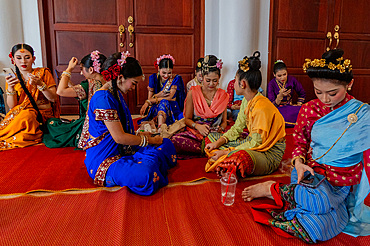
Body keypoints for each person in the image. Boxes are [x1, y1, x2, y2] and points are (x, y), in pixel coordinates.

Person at [242, 49, 370, 243]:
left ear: (349, 84)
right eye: (318, 92)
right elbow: (300, 143)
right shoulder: (309, 109)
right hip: (310, 174)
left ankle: (285, 196)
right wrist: (299, 163)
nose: (325, 99)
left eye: (332, 93)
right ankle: (273, 189)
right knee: (319, 203)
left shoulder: (361, 112)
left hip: (341, 183)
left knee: (317, 227)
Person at [84, 52, 177, 195]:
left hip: (125, 149)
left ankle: (148, 161)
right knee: (146, 173)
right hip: (106, 159)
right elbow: (119, 138)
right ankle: (148, 164)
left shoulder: (116, 93)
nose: (133, 88)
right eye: (134, 83)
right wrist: (149, 140)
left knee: (166, 144)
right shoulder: (103, 98)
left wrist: (143, 136)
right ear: (120, 77)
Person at [204, 51, 286, 178]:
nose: (234, 83)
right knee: (212, 137)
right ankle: (225, 162)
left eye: (235, 80)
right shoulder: (246, 101)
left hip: (268, 153)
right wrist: (219, 142)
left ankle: (227, 162)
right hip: (252, 142)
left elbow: (256, 143)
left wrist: (226, 152)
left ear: (243, 84)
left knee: (240, 158)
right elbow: (237, 128)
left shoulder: (261, 107)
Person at [0, 43, 60, 150]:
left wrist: (40, 85)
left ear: (33, 59)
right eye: (19, 58)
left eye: (27, 57)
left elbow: (53, 98)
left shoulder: (43, 73)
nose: (23, 61)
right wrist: (10, 88)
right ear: (13, 60)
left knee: (27, 117)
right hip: (22, 114)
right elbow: (13, 106)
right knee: (23, 117)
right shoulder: (12, 78)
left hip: (41, 115)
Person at [43, 51, 107, 148]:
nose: (81, 73)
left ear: (90, 69)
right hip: (107, 125)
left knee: (52, 124)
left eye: (82, 70)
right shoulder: (108, 82)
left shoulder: (89, 84)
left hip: (90, 127)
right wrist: (68, 82)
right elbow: (82, 94)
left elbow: (60, 91)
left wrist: (69, 69)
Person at [171, 55, 228, 156]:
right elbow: (187, 119)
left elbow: (224, 122)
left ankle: (211, 149)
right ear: (202, 77)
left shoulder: (223, 95)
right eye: (208, 80)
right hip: (197, 133)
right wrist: (198, 126)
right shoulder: (193, 92)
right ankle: (214, 151)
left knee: (242, 139)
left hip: (216, 134)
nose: (211, 84)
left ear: (219, 78)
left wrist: (221, 128)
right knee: (175, 140)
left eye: (215, 80)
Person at [139, 54, 186, 132]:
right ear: (158, 68)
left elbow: (171, 98)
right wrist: (159, 94)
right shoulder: (153, 78)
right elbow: (149, 98)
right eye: (163, 72)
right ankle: (161, 127)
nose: (166, 75)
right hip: (156, 107)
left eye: (169, 73)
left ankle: (161, 129)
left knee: (164, 102)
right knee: (163, 102)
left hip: (172, 107)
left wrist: (151, 100)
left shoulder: (176, 78)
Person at [267, 60, 306, 127]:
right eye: (279, 76)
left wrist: (298, 104)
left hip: (291, 107)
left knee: (303, 110)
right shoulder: (271, 84)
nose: (283, 78)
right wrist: (280, 96)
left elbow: (302, 93)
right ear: (274, 74)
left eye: (284, 74)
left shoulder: (292, 79)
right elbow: (271, 106)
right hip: (278, 109)